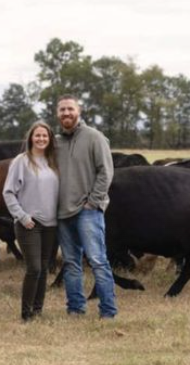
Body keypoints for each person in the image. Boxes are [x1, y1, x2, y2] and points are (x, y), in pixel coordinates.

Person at [55, 94, 117, 319]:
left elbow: (106, 171)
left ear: (79, 111)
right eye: (62, 110)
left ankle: (108, 311)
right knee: (71, 263)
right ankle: (75, 309)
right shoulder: (56, 142)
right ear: (57, 114)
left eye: (70, 109)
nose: (66, 114)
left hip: (87, 211)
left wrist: (93, 202)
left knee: (98, 261)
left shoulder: (94, 137)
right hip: (62, 212)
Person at [3, 121, 60, 322]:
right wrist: (22, 216)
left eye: (45, 136)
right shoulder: (22, 161)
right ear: (30, 138)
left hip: (51, 224)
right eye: (37, 135)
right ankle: (26, 314)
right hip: (29, 224)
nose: (41, 139)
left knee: (44, 268)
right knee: (34, 268)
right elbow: (8, 192)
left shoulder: (54, 161)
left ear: (50, 139)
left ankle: (38, 310)